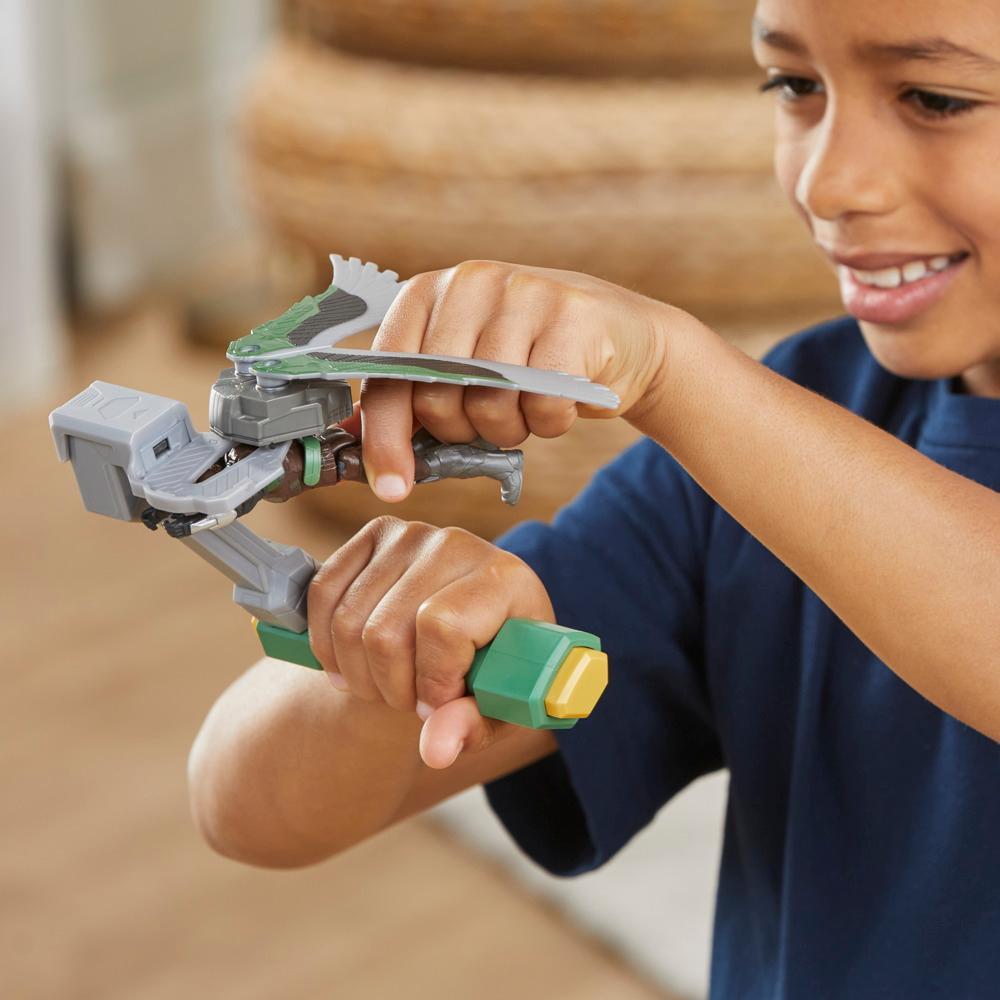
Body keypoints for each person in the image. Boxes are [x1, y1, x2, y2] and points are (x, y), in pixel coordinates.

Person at [188, 1, 1000, 995]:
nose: (827, 181)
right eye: (795, 85)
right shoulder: (777, 438)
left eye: (935, 98)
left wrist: (674, 371)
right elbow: (242, 804)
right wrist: (387, 644)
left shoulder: (729, 417)